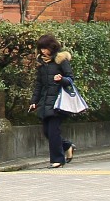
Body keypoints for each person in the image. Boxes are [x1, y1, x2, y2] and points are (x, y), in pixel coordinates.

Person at [33, 36, 77, 168]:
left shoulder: (61, 60)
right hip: (45, 101)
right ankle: (67, 146)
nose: (43, 51)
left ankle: (58, 160)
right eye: (41, 48)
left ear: (52, 47)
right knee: (47, 131)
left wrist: (61, 79)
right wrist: (34, 101)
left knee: (53, 131)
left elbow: (70, 79)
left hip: (58, 102)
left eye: (45, 48)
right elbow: (38, 84)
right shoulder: (42, 63)